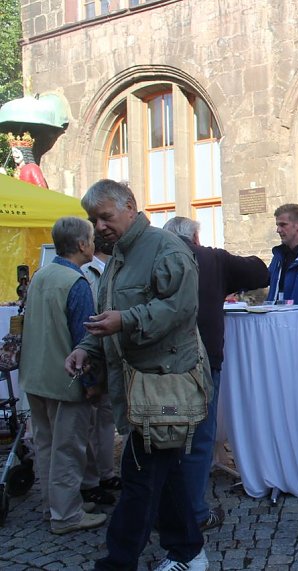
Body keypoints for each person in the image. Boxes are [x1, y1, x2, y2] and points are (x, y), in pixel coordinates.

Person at [64, 180, 208, 571]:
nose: (99, 226)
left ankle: (119, 562)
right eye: (94, 219)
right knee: (166, 472)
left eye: (105, 216)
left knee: (139, 477)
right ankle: (189, 551)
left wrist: (125, 320)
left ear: (131, 206)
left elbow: (180, 310)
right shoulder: (118, 257)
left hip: (163, 384)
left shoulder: (166, 249)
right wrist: (85, 349)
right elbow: (104, 319)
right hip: (135, 388)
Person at [163, 216, 269, 531]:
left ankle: (162, 510)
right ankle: (193, 513)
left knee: (164, 436)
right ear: (194, 237)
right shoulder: (210, 258)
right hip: (201, 362)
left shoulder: (156, 257)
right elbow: (259, 271)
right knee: (198, 437)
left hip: (160, 365)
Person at [19, 216, 108, 535]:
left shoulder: (42, 274)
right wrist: (92, 385)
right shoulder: (76, 282)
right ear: (82, 244)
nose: (95, 243)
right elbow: (83, 339)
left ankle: (53, 504)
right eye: (91, 238)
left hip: (36, 378)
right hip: (64, 381)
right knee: (68, 448)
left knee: (46, 445)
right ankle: (66, 515)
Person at [80, 234, 121, 504]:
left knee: (106, 418)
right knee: (91, 420)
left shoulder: (118, 268)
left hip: (110, 355)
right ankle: (92, 480)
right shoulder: (86, 273)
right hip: (96, 355)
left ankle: (106, 473)